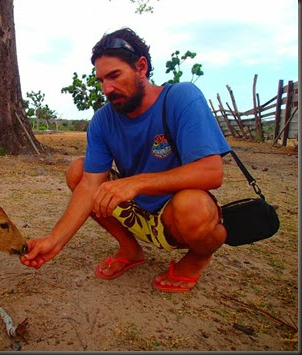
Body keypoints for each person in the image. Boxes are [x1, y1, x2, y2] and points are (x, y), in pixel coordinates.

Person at [20, 27, 231, 293]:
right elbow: (88, 186)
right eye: (101, 80)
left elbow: (212, 172)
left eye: (115, 75)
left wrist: (136, 183)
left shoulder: (181, 98)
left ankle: (198, 256)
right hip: (135, 212)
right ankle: (130, 250)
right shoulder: (103, 120)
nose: (107, 88)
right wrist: (55, 240)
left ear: (141, 66)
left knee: (195, 207)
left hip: (175, 215)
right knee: (78, 171)